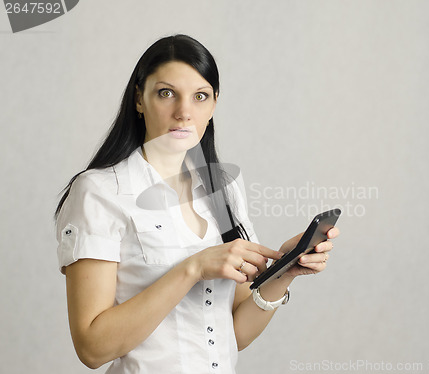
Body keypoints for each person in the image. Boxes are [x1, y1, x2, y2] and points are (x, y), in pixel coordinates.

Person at [55, 34, 339, 374]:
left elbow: (235, 332)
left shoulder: (224, 188)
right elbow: (92, 348)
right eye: (166, 93)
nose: (183, 113)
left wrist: (284, 272)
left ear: (214, 104)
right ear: (139, 99)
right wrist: (193, 268)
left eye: (200, 96)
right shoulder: (99, 192)